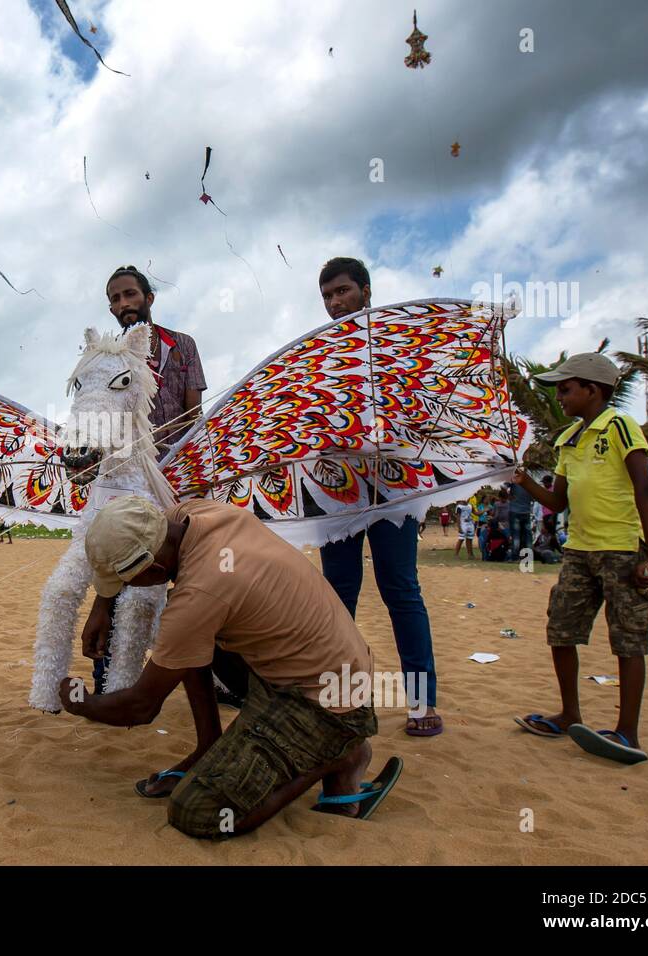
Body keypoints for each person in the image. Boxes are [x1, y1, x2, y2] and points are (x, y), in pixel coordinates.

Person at [61, 496, 399, 837]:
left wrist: (81, 703)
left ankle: (337, 755)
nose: (125, 590)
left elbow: (141, 706)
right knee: (186, 642)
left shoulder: (199, 594)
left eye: (126, 583)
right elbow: (187, 641)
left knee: (198, 812)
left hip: (325, 700)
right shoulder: (195, 514)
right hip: (329, 667)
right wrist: (102, 605)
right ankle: (210, 746)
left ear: (155, 571)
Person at [511, 353, 648, 763]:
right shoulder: (567, 440)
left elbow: (645, 491)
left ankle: (627, 731)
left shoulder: (620, 427)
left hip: (623, 550)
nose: (559, 396)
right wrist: (524, 481)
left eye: (566, 388)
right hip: (578, 551)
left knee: (628, 639)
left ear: (592, 390)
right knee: (561, 629)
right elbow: (557, 502)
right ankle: (569, 713)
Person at [315, 257, 441, 735]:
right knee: (336, 598)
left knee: (401, 591)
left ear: (365, 290)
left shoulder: (394, 344)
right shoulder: (321, 354)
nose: (335, 303)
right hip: (337, 495)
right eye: (328, 296)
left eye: (343, 291)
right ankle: (337, 699)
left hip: (393, 493)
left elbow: (416, 407)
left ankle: (422, 702)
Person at [106, 265, 207, 457]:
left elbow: (194, 415)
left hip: (186, 459)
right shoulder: (110, 361)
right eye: (116, 299)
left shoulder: (184, 345)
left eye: (130, 294)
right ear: (112, 310)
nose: (124, 303)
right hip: (139, 469)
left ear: (149, 299)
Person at [507, 481, 533, 561]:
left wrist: (509, 496)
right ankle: (528, 557)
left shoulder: (514, 480)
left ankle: (515, 556)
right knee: (528, 536)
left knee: (516, 536)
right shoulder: (529, 482)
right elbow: (533, 497)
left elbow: (502, 485)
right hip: (526, 512)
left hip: (515, 511)